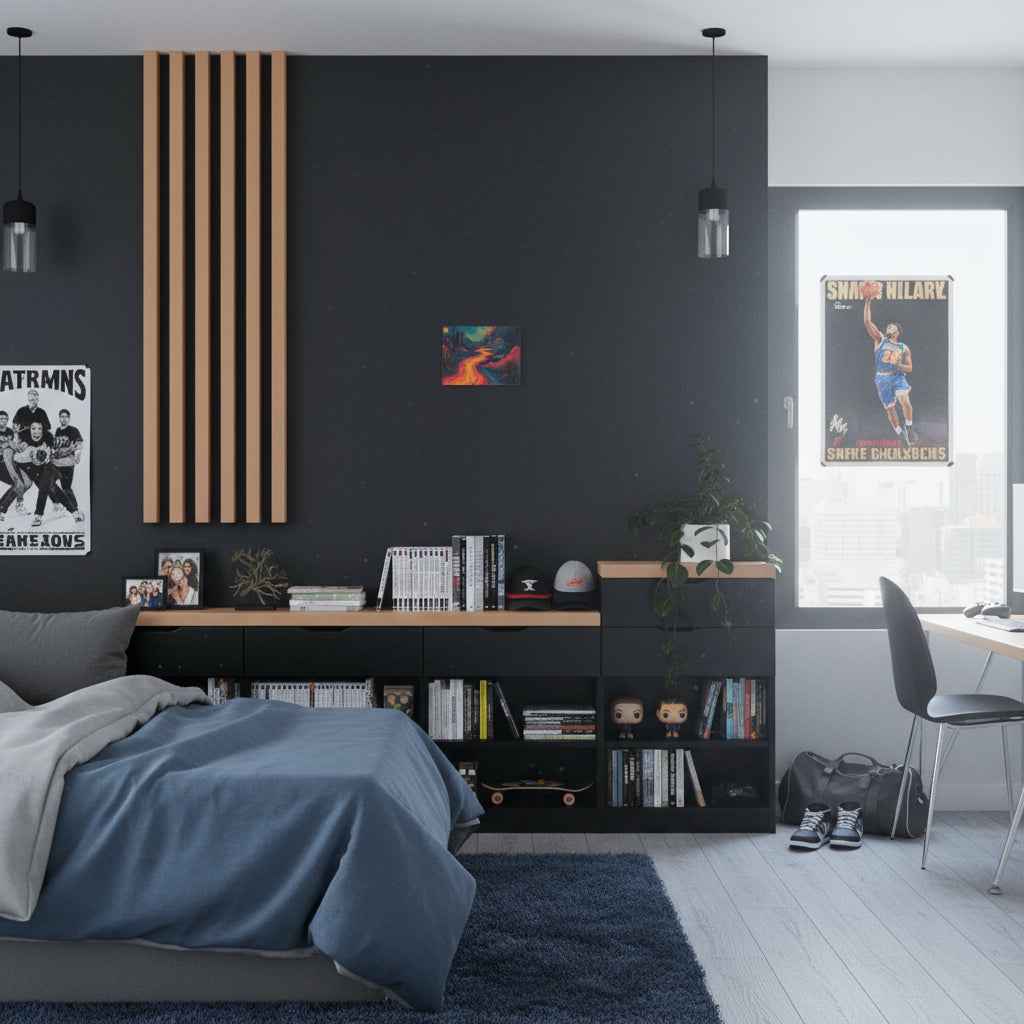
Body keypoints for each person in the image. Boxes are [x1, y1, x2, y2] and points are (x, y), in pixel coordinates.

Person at [863, 286, 916, 448]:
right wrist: (868, 302)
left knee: (904, 398)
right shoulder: (880, 339)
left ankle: (909, 427)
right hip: (882, 378)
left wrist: (899, 364)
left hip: (896, 375)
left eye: (892, 327)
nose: (889, 329)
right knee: (890, 409)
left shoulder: (903, 347)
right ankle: (900, 433)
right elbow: (867, 322)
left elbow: (910, 368)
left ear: (898, 332)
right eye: (888, 327)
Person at [50, 408, 85, 516]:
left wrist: (77, 457)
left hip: (67, 464)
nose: (64, 418)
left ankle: (75, 509)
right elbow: (55, 447)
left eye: (66, 416)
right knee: (48, 484)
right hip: (55, 463)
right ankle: (57, 503)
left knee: (66, 488)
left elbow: (79, 444)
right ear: (59, 418)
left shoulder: (73, 430)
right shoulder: (57, 431)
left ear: (69, 418)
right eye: (62, 416)